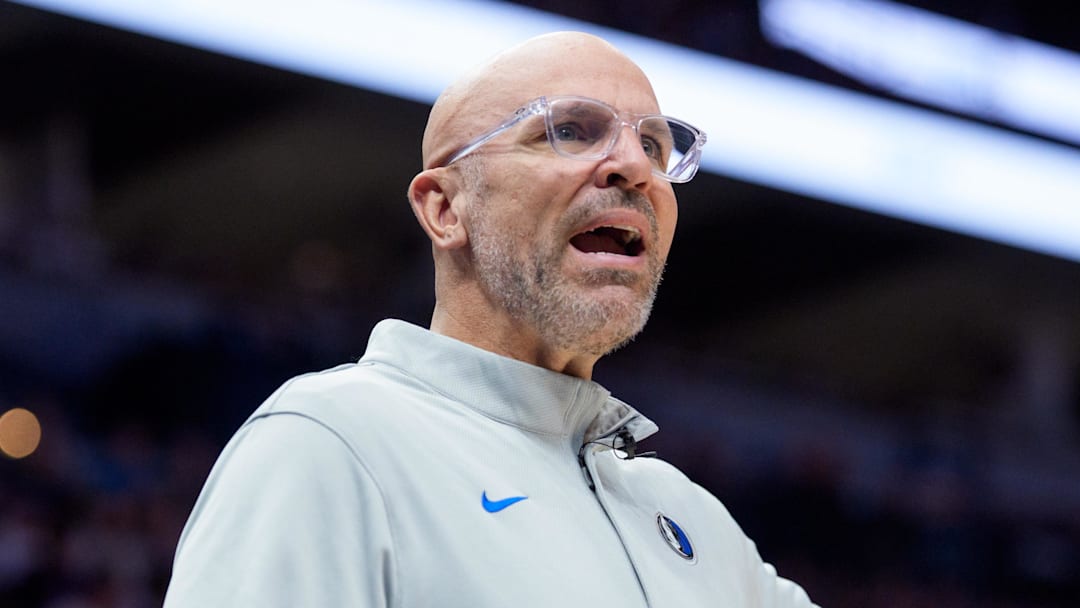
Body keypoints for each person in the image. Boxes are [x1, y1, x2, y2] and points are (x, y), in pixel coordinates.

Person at [164, 31, 818, 607]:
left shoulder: (693, 521)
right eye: (571, 130)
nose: (633, 166)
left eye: (652, 144)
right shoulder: (334, 441)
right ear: (446, 208)